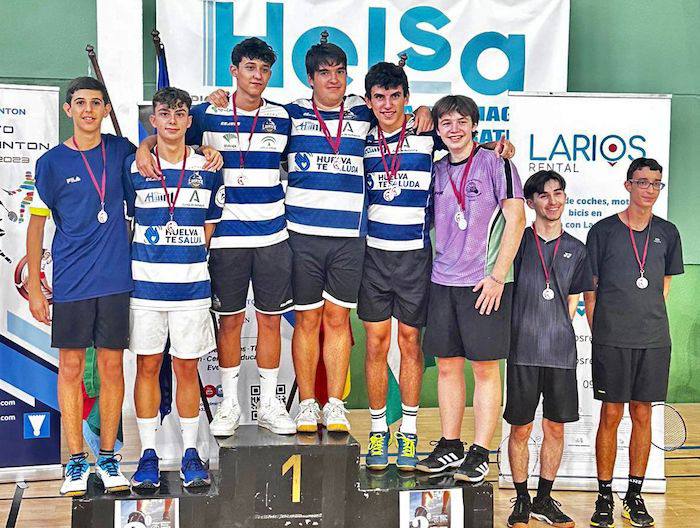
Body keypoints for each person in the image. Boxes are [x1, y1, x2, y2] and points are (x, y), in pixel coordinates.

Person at [136, 38, 297, 436]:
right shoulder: (208, 113)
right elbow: (170, 134)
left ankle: (272, 405)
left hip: (273, 233)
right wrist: (145, 145)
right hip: (225, 237)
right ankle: (229, 404)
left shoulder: (284, 117)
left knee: (271, 322)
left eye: (264, 70)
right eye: (249, 68)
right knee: (230, 323)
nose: (256, 76)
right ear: (234, 70)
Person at [27, 76, 135, 495]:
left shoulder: (122, 150)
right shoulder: (51, 163)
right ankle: (75, 460)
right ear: (68, 110)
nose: (88, 110)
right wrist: (37, 286)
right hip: (70, 281)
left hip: (114, 279)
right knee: (70, 369)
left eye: (96, 102)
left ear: (107, 109)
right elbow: (36, 229)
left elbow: (157, 151)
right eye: (80, 103)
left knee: (111, 368)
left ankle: (107, 458)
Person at [417, 95, 526, 482]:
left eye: (462, 121)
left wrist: (497, 276)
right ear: (438, 129)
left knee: (484, 369)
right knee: (446, 368)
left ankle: (480, 451)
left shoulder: (498, 163)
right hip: (443, 281)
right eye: (445, 123)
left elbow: (517, 220)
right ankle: (450, 445)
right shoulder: (436, 170)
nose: (454, 129)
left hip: (485, 282)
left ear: (475, 125)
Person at [125, 87, 225, 489]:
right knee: (147, 367)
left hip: (191, 290)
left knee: (187, 368)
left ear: (188, 121)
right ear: (154, 120)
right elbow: (129, 219)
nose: (171, 120)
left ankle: (189, 453)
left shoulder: (208, 166)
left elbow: (209, 226)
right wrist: (142, 149)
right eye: (163, 113)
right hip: (145, 290)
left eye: (179, 113)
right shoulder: (135, 168)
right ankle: (148, 454)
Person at [585, 157, 683, 528]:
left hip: (654, 340)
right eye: (642, 182)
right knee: (611, 414)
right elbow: (590, 291)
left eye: (656, 183)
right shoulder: (604, 231)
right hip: (612, 339)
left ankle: (634, 494)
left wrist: (648, 323)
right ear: (628, 185)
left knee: (643, 414)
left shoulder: (669, 232)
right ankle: (604, 495)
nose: (649, 189)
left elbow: (664, 287)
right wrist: (601, 333)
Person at [504, 170, 593, 528]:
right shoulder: (518, 242)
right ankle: (522, 499)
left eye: (558, 193)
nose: (553, 201)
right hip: (522, 352)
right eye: (543, 195)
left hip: (560, 354)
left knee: (555, 429)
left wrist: (555, 331)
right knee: (521, 430)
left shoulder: (578, 249)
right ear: (530, 202)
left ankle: (544, 498)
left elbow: (572, 304)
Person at [359, 60, 433, 470]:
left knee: (409, 343)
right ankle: (376, 431)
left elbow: (466, 145)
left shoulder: (428, 134)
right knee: (375, 344)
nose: (388, 104)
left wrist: (500, 148)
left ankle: (407, 432)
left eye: (395, 96)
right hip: (373, 258)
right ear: (369, 101)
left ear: (407, 97)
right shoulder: (361, 139)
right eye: (380, 97)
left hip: (414, 259)